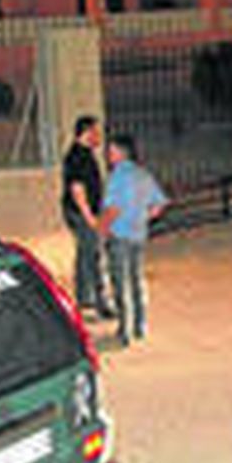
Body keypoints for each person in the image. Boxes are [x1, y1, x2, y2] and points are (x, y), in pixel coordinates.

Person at [99, 134, 168, 346]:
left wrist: (101, 229)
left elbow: (113, 208)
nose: (107, 156)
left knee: (121, 283)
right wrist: (142, 217)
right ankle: (140, 325)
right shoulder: (143, 174)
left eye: (111, 151)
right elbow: (159, 204)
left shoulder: (117, 176)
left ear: (121, 153)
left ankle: (125, 329)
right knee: (136, 280)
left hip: (119, 236)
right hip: (138, 235)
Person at [61, 115, 114, 319]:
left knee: (85, 254)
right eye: (96, 132)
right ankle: (100, 303)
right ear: (87, 133)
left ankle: (84, 300)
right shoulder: (77, 157)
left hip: (81, 212)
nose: (99, 136)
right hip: (81, 213)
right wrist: (90, 217)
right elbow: (77, 189)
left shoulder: (84, 153)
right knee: (93, 256)